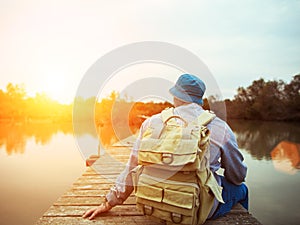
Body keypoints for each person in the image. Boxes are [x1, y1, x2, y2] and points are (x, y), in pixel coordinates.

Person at [82, 74, 248, 221]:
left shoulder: (152, 123)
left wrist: (108, 202)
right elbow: (237, 176)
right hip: (194, 210)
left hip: (152, 206)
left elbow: (132, 167)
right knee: (242, 188)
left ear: (176, 96)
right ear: (199, 99)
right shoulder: (220, 127)